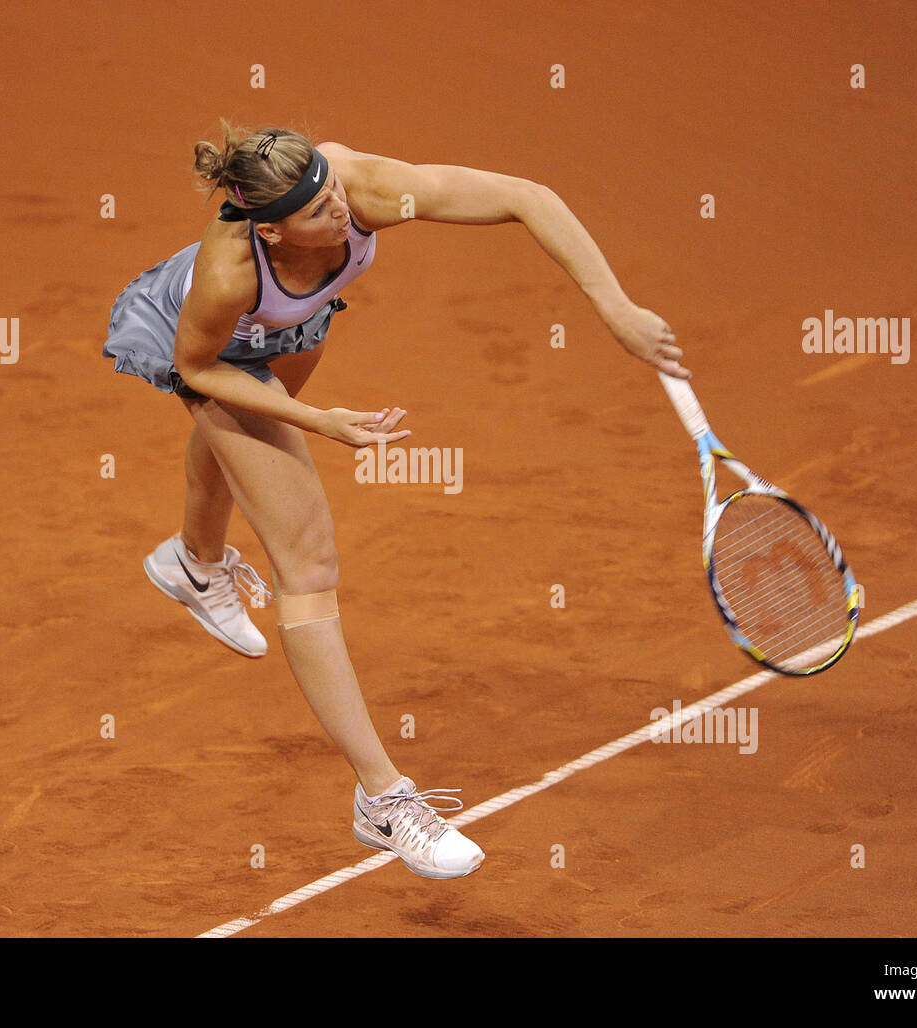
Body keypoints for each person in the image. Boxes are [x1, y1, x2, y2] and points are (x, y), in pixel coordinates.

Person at [103, 122, 687, 880]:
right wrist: (318, 421)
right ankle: (383, 799)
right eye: (317, 213)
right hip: (214, 347)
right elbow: (198, 367)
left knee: (238, 454)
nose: (340, 211)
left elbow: (524, 196)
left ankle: (193, 563)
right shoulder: (227, 276)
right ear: (271, 233)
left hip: (292, 319)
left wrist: (615, 307)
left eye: (334, 191)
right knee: (307, 560)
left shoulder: (358, 188)